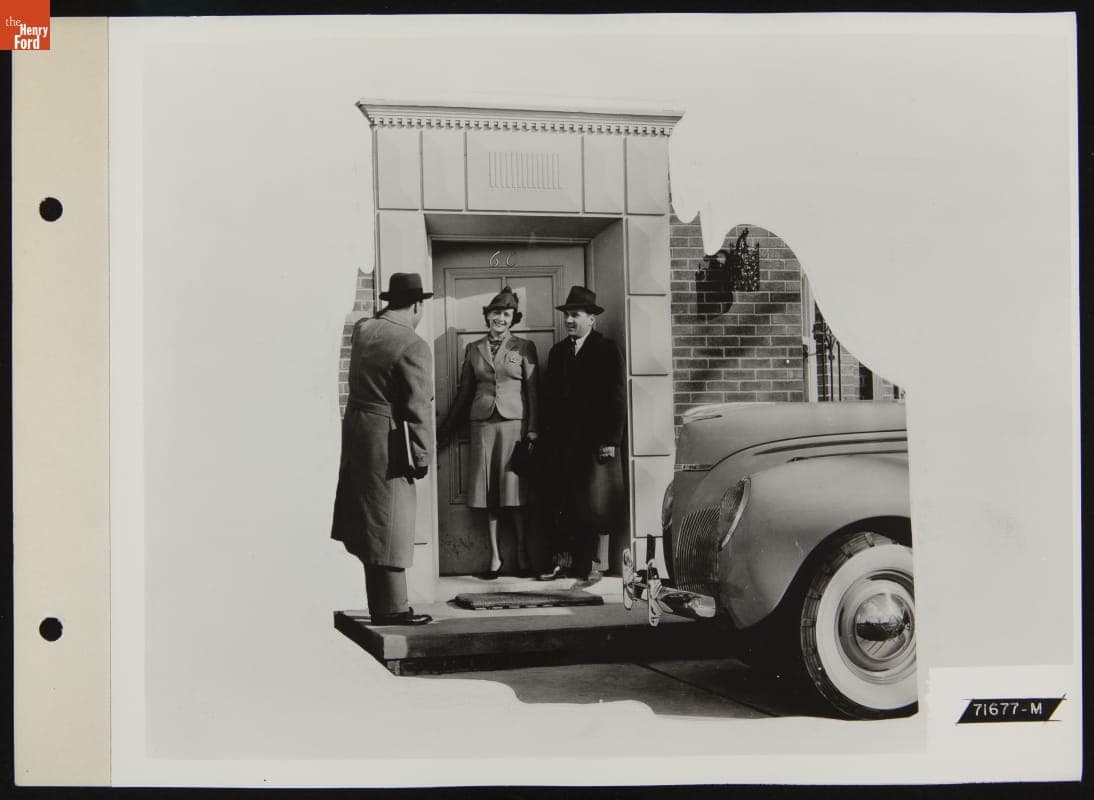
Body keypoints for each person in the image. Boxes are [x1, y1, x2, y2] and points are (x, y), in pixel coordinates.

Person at [331, 272, 435, 626]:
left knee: (371, 520)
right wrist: (421, 455)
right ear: (417, 305)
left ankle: (382, 605)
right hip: (389, 439)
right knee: (393, 520)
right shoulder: (412, 344)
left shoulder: (364, 329)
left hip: (359, 433)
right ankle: (392, 609)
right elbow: (418, 408)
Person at [438, 286, 539, 578]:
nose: (500, 318)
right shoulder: (474, 349)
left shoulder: (524, 347)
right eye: (496, 313)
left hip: (514, 427)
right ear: (487, 316)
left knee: (515, 493)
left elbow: (533, 392)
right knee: (489, 494)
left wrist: (533, 429)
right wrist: (446, 429)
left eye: (506, 314)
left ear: (513, 318)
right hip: (482, 427)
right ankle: (495, 557)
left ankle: (521, 553)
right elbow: (464, 393)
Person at [537, 285, 626, 585]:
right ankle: (563, 562)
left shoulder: (606, 348)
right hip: (562, 444)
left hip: (594, 443)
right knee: (562, 502)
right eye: (567, 316)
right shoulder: (558, 352)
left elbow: (616, 398)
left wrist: (610, 440)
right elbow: (549, 400)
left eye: (575, 315)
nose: (569, 321)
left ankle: (592, 564)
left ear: (592, 319)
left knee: (594, 504)